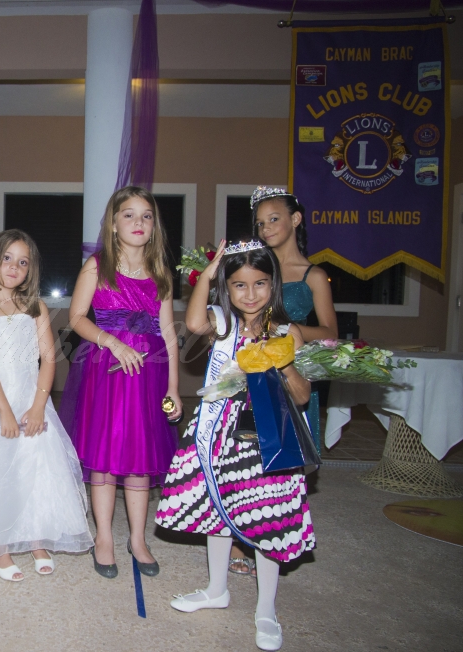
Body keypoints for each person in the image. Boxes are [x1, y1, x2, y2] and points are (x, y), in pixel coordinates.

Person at [156, 239, 316, 652]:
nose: (250, 294)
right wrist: (208, 275)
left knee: (267, 516)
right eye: (239, 285)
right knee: (216, 506)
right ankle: (216, 589)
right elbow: (194, 323)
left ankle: (265, 609)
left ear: (273, 283)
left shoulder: (288, 332)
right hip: (219, 431)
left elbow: (302, 396)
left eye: (260, 283)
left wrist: (282, 361)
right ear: (227, 288)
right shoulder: (223, 323)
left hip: (266, 437)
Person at [60, 185, 183, 580]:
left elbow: (169, 332)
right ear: (113, 224)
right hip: (107, 371)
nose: (138, 222)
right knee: (106, 454)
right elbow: (76, 318)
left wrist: (174, 387)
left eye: (146, 216)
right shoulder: (97, 266)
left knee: (140, 456)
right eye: (128, 214)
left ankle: (138, 539)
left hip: (150, 374)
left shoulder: (161, 273)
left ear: (154, 226)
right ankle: (104, 538)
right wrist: (112, 342)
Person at [0, 230, 93, 580]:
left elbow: (48, 359)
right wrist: (3, 410)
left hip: (31, 398)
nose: (14, 267)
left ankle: (36, 536)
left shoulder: (36, 308)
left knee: (37, 468)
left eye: (23, 262)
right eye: (7, 258)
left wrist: (38, 406)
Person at [225, 186, 337, 577]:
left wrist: (291, 331)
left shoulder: (313, 275)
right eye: (260, 223)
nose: (266, 228)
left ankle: (273, 534)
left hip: (291, 372)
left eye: (274, 219)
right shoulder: (257, 267)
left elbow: (331, 333)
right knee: (242, 459)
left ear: (295, 219)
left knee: (282, 462)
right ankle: (238, 538)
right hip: (249, 372)